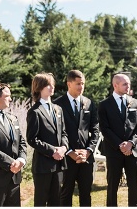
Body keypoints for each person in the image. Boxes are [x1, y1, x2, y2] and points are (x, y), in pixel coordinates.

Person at [52, 70, 99, 207]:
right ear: (69, 84)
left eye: (83, 83)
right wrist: (69, 152)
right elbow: (56, 133)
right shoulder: (57, 104)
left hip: (86, 158)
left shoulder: (89, 103)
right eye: (78, 84)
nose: (81, 87)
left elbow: (95, 130)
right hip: (66, 158)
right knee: (65, 194)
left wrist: (88, 151)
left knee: (86, 194)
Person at [99, 73, 137, 207]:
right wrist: (120, 144)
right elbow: (104, 128)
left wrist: (131, 143)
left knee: (134, 186)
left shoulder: (136, 103)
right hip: (114, 152)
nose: (128, 86)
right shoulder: (104, 105)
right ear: (115, 85)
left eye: (128, 83)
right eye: (125, 84)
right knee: (112, 186)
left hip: (133, 151)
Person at [26, 73, 69, 206]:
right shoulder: (35, 112)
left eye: (52, 84)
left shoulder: (58, 109)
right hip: (43, 165)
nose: (51, 87)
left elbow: (64, 133)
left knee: (56, 200)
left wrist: (63, 148)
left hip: (59, 163)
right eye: (47, 85)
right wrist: (52, 151)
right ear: (39, 87)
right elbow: (32, 139)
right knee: (41, 201)